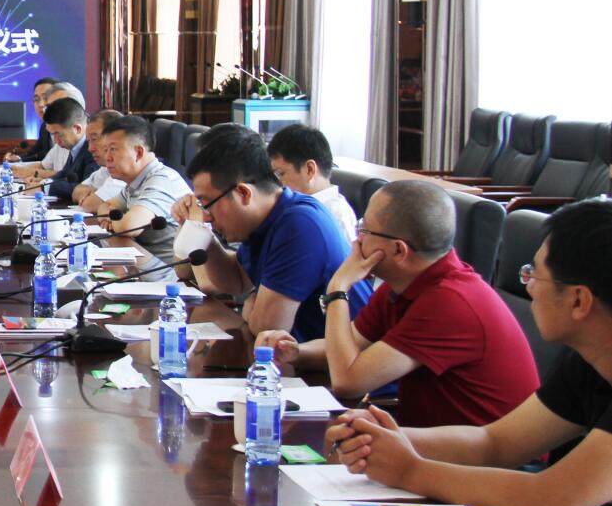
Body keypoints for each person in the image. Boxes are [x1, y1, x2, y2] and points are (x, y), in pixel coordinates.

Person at [327, 200, 612, 506]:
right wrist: (385, 439)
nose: (527, 288)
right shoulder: (588, 361)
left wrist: (411, 470)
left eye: (533, 276)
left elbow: (552, 501)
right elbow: (496, 442)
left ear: (579, 300)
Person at [258, 180, 539, 426]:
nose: (357, 240)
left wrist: (338, 287)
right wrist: (296, 352)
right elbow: (351, 343)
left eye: (365, 230)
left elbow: (348, 381)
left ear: (398, 250)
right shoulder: (404, 284)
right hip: (430, 444)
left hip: (487, 462)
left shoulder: (449, 302)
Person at [176, 126, 370, 341]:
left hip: (337, 358)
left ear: (243, 193)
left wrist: (252, 307)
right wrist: (203, 235)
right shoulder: (266, 216)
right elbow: (237, 280)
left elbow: (267, 327)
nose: (206, 216)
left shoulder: (299, 224)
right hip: (297, 354)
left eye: (206, 204)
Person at [79, 114, 190, 267]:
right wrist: (114, 219)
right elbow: (104, 207)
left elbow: (129, 227)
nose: (107, 157)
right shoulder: (135, 181)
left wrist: (113, 221)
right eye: (106, 150)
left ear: (138, 152)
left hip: (169, 273)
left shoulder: (162, 179)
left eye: (113, 149)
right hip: (146, 265)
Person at [265, 124, 356, 247]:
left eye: (281, 174)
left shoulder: (336, 216)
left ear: (309, 170)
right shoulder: (295, 206)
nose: (277, 183)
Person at [34, 97, 98, 203]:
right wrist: (43, 182)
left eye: (58, 134)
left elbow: (85, 188)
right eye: (52, 135)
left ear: (77, 129)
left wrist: (45, 187)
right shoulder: (75, 146)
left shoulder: (93, 150)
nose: (55, 140)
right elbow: (65, 173)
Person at [68, 108, 125, 209]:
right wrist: (94, 194)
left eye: (94, 139)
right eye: (88, 141)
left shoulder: (123, 171)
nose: (90, 149)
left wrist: (93, 195)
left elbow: (90, 205)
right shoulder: (105, 168)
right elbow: (76, 192)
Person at [2, 76, 59, 163]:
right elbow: (37, 152)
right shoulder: (44, 126)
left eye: (45, 98)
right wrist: (19, 158)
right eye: (36, 99)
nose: (40, 104)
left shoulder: (70, 129)